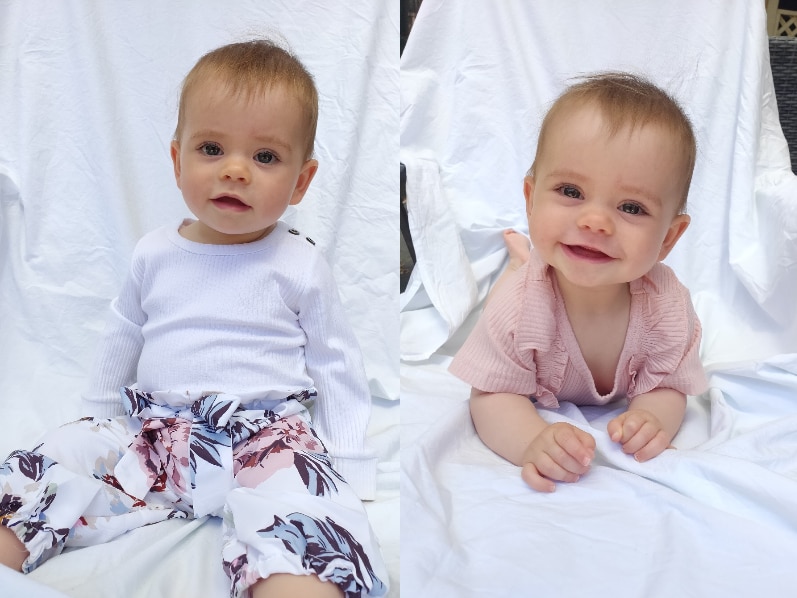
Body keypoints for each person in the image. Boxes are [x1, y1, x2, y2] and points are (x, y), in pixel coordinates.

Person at [0, 39, 387, 598]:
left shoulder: (300, 264)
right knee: (59, 456)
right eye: (212, 148)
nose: (235, 171)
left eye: (265, 157)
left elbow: (337, 361)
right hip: (152, 434)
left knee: (309, 511)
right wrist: (97, 418)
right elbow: (122, 334)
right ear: (177, 158)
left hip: (265, 438)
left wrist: (349, 460)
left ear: (301, 181)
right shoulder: (154, 253)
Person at [448, 72, 709, 494]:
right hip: (528, 292)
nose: (594, 221)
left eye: (631, 207)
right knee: (520, 276)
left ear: (669, 237)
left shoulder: (668, 309)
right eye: (570, 190)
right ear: (531, 199)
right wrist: (531, 439)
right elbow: (491, 395)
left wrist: (652, 417)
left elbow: (667, 386)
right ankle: (521, 261)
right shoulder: (517, 310)